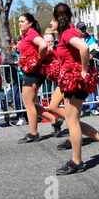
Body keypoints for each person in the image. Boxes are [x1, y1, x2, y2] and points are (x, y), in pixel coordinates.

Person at [49, 3, 99, 175]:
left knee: (73, 123)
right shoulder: (67, 32)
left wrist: (84, 70)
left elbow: (84, 47)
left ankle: (76, 162)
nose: (50, 24)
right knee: (61, 112)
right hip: (67, 78)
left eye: (52, 20)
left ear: (58, 19)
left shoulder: (67, 33)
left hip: (74, 79)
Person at [17, 13, 64, 143]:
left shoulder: (32, 33)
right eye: (19, 21)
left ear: (30, 23)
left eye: (22, 21)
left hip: (34, 72)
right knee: (29, 102)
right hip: (29, 71)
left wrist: (38, 59)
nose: (20, 24)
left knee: (29, 103)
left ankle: (34, 133)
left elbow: (43, 45)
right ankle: (54, 120)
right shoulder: (26, 35)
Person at [76, 21, 99, 116]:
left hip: (90, 66)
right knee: (80, 88)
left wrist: (92, 54)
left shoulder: (91, 38)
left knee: (91, 87)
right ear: (77, 30)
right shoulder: (75, 39)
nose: (83, 30)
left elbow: (98, 51)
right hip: (79, 67)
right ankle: (81, 110)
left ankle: (93, 108)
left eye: (84, 28)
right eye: (81, 29)